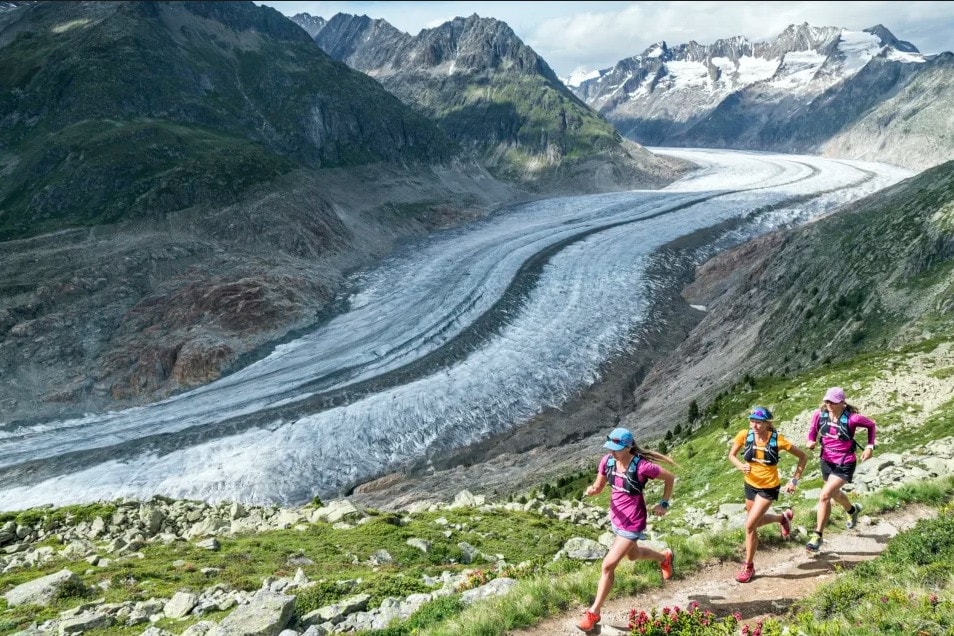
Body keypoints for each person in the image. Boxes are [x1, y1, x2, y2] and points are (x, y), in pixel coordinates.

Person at [577, 427, 677, 633]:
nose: (612, 451)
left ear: (629, 447)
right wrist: (592, 490)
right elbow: (599, 486)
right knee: (634, 555)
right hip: (616, 518)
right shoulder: (608, 462)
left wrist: (664, 503)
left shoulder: (642, 467)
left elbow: (670, 477)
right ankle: (664, 558)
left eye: (617, 448)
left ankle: (593, 613)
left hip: (633, 521)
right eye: (610, 447)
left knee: (608, 565)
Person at [728, 406, 808, 583]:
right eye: (752, 421)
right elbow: (731, 455)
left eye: (759, 422)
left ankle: (748, 566)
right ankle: (782, 518)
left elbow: (803, 457)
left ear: (767, 423)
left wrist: (794, 480)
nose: (755, 425)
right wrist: (740, 466)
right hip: (750, 484)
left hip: (769, 487)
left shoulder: (778, 440)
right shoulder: (744, 435)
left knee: (749, 526)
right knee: (757, 522)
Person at [804, 386, 876, 552]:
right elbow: (812, 431)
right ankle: (852, 509)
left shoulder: (852, 418)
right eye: (827, 401)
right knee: (833, 494)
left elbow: (871, 425)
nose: (829, 404)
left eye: (833, 402)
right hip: (826, 460)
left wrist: (869, 447)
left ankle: (817, 535)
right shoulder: (819, 415)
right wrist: (811, 441)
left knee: (824, 496)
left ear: (842, 403)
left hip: (845, 461)